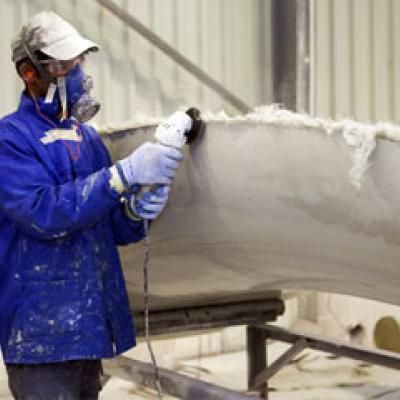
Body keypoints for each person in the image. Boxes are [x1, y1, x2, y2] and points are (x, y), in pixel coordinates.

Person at [0, 11, 197, 400]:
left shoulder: (87, 140)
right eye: (64, 64)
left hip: (89, 326)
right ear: (29, 73)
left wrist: (136, 211)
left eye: (79, 62)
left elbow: (113, 229)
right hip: (41, 331)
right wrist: (121, 175)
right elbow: (43, 214)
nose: (77, 74)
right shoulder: (10, 139)